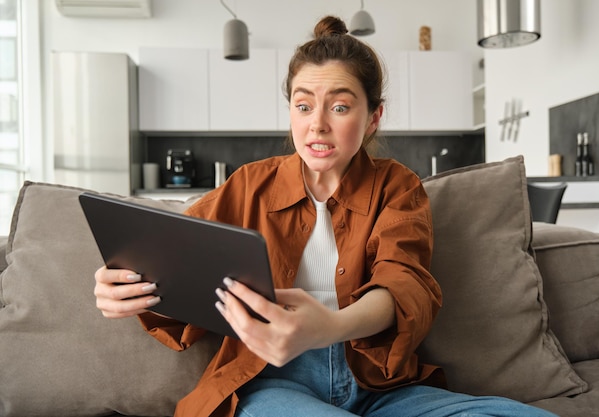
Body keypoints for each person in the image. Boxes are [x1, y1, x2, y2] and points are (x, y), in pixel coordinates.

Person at [94, 15, 558, 417]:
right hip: (273, 379)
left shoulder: (398, 187)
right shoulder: (248, 185)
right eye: (302, 105)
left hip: (379, 384)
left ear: (373, 117)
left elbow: (405, 283)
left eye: (339, 106)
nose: (317, 124)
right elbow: (172, 251)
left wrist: (332, 326)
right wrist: (124, 281)